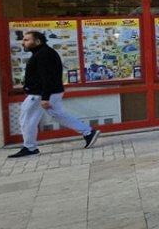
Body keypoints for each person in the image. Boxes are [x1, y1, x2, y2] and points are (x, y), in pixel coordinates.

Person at [8, 30, 100, 158]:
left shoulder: (43, 55)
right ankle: (88, 132)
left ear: (37, 41)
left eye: (26, 40)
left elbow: (48, 77)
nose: (23, 43)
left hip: (40, 94)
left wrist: (45, 97)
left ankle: (30, 148)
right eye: (23, 40)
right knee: (58, 115)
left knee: (27, 119)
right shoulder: (42, 53)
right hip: (48, 92)